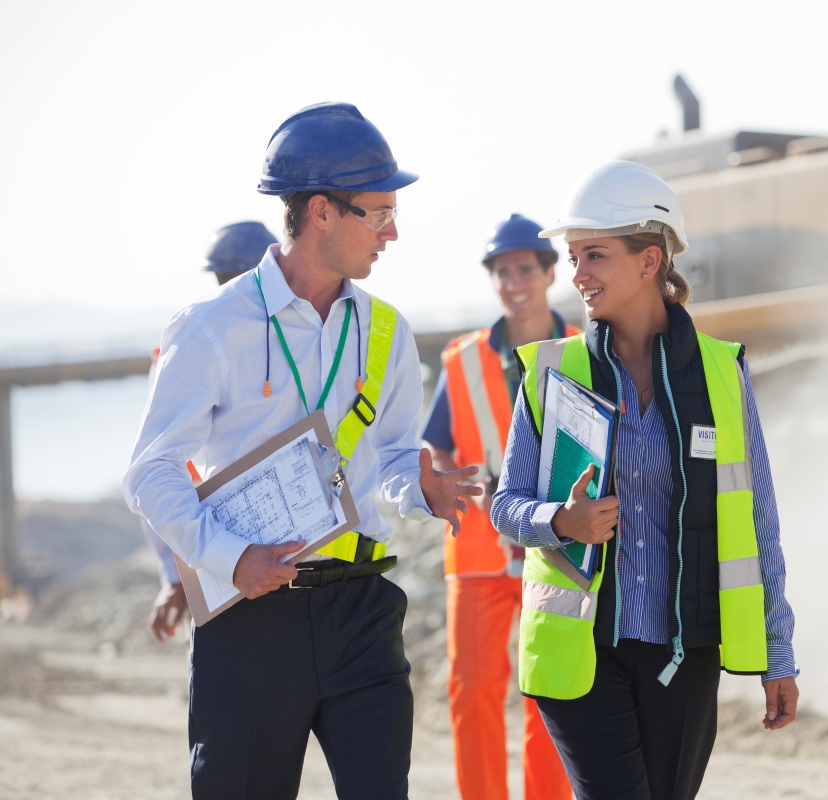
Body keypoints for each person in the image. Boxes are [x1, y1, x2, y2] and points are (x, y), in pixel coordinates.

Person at [123, 102, 480, 799]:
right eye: (378, 213)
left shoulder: (387, 330)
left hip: (362, 610)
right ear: (322, 211)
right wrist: (229, 560)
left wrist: (423, 488)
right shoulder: (209, 329)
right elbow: (151, 473)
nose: (394, 232)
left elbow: (397, 458)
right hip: (250, 620)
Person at [491, 161, 800, 800]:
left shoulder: (720, 373)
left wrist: (778, 651)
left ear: (649, 260)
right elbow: (506, 503)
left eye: (594, 255)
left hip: (683, 653)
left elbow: (758, 519)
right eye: (574, 257)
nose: (577, 275)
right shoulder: (555, 371)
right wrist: (559, 522)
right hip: (581, 654)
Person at [421, 214, 576, 800]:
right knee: (473, 690)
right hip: (481, 550)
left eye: (523, 271)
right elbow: (436, 442)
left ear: (548, 274)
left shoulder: (585, 349)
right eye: (502, 272)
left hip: (560, 544)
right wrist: (445, 480)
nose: (513, 282)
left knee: (550, 693)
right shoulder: (460, 361)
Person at [143, 221, 278, 643]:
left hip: (274, 561)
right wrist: (176, 574)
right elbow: (158, 472)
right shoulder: (187, 351)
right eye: (226, 279)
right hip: (218, 557)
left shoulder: (295, 345)